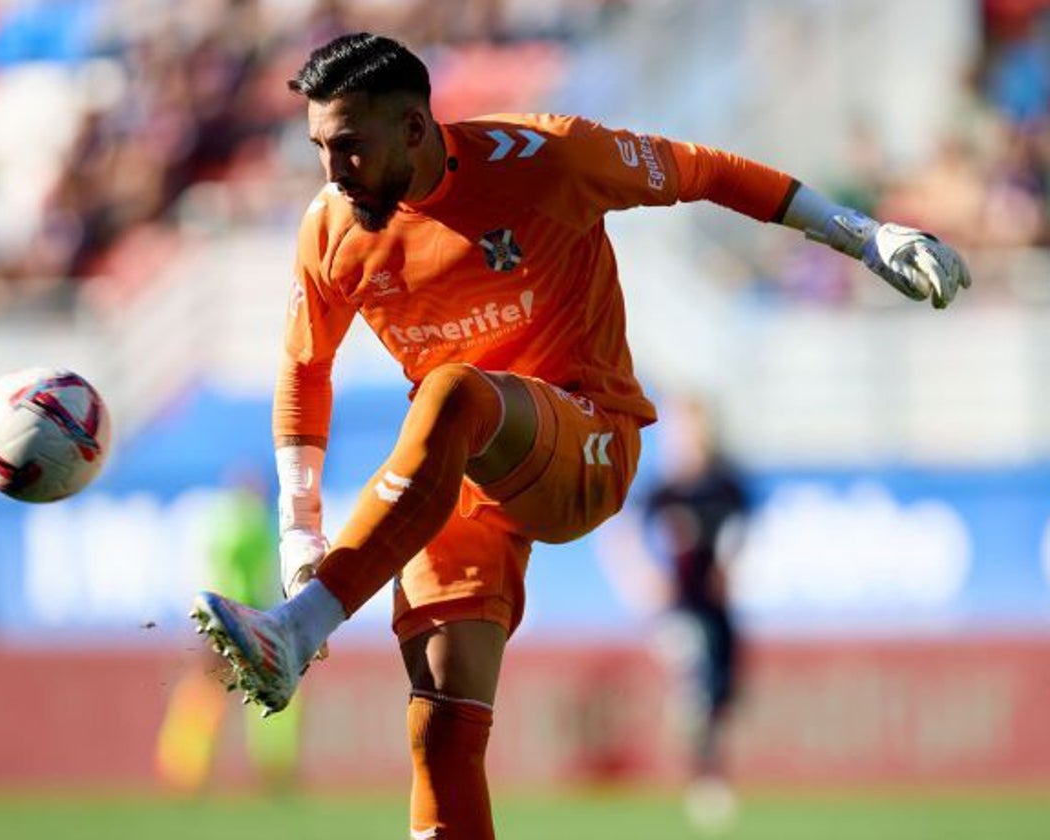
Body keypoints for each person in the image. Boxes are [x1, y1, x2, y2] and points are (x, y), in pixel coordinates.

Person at [190, 32, 971, 839]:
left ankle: (299, 627)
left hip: (585, 440)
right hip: (456, 473)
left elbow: (705, 170)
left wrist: (862, 235)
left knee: (454, 391)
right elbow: (304, 369)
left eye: (350, 146)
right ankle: (303, 623)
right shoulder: (332, 229)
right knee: (440, 731)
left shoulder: (549, 160)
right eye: (320, 146)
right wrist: (296, 529)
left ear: (417, 129)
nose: (331, 171)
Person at [640, 396, 749, 832]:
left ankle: (708, 767)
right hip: (679, 609)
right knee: (696, 675)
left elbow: (744, 532)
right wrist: (643, 577)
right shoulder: (665, 491)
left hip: (717, 607)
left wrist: (733, 567)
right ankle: (703, 778)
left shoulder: (726, 486)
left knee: (721, 692)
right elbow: (627, 533)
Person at [157, 471, 302, 792]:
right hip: (243, 618)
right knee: (273, 690)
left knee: (204, 691)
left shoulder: (216, 523)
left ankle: (183, 767)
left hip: (211, 619)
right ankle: (275, 766)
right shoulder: (254, 526)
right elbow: (259, 580)